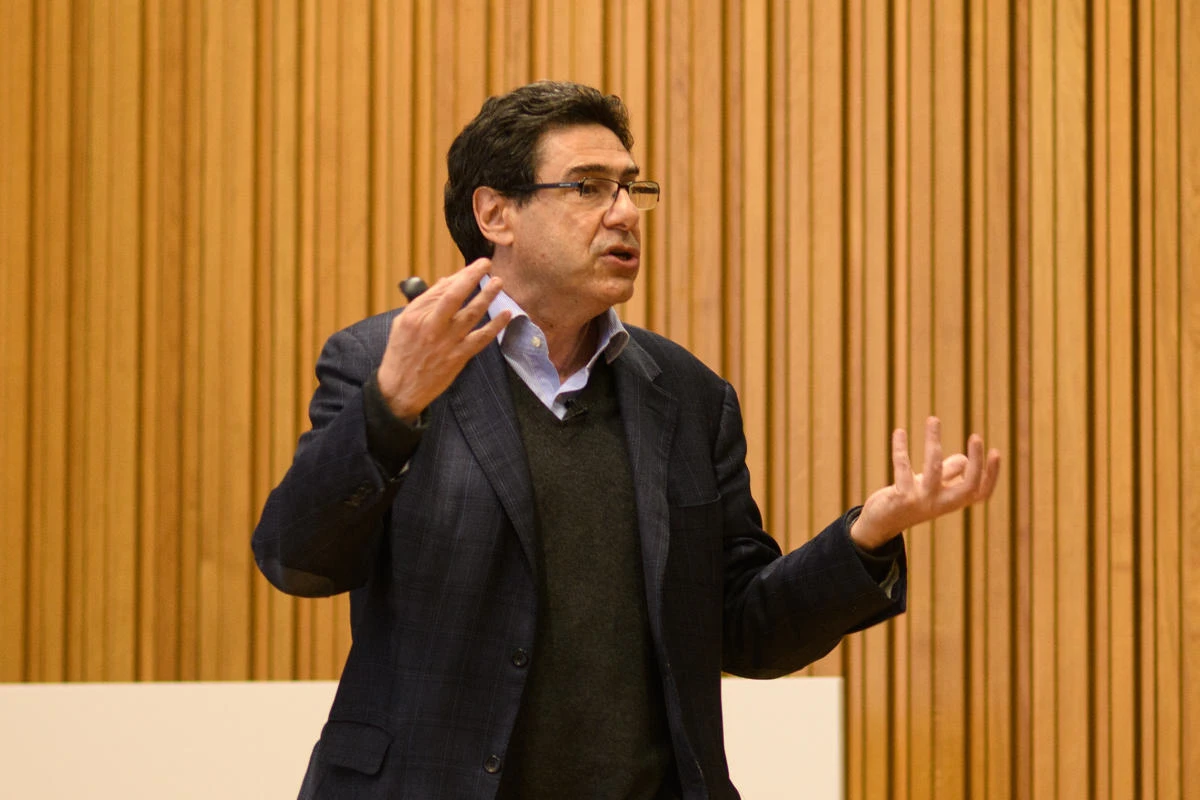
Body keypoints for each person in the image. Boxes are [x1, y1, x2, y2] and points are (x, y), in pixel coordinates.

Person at [252, 80, 1001, 800]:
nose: (625, 214)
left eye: (630, 188)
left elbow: (745, 630)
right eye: (586, 188)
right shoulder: (383, 361)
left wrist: (867, 536)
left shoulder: (687, 396)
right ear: (495, 213)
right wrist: (391, 408)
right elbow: (297, 559)